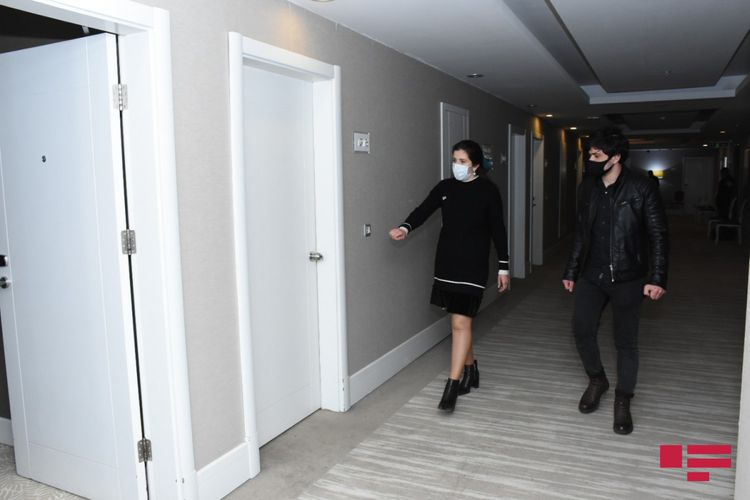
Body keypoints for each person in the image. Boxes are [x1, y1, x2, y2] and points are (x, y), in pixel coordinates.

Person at [389, 140, 509, 413]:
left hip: (473, 266)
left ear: (475, 164)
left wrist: (503, 266)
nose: (457, 166)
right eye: (455, 160)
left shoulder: (488, 191)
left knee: (459, 323)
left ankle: (452, 386)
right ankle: (471, 368)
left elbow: (498, 230)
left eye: (463, 161)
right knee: (458, 322)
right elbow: (423, 210)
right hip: (447, 264)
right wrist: (405, 228)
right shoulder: (445, 188)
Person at [562, 127, 668, 435]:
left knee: (625, 342)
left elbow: (658, 234)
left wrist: (657, 277)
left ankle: (623, 398)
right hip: (592, 275)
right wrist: (571, 270)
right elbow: (581, 233)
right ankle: (597, 380)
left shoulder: (641, 187)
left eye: (596, 155)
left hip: (628, 277)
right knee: (582, 329)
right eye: (589, 154)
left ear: (616, 157)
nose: (590, 160)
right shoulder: (587, 188)